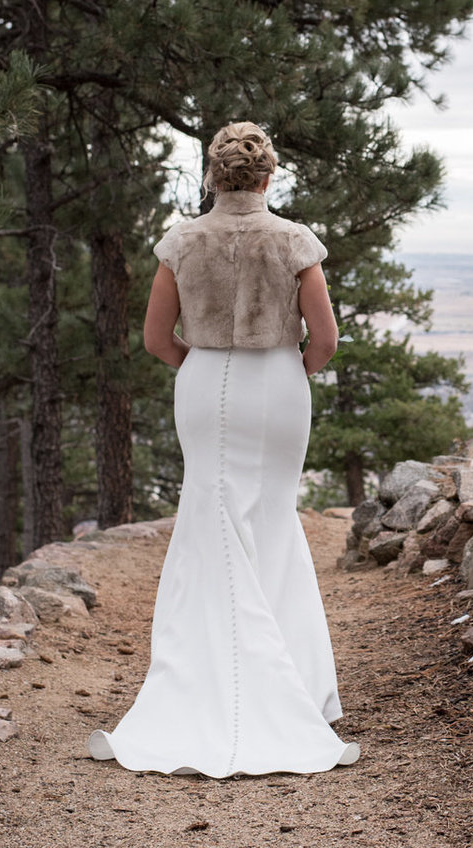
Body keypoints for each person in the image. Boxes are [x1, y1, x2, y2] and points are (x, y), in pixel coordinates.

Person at [88, 121, 360, 777]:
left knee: (209, 519)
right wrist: (288, 374)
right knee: (272, 517)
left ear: (212, 176)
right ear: (269, 177)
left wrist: (202, 369)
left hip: (205, 382)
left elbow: (157, 338)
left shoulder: (182, 241)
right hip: (278, 386)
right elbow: (323, 339)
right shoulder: (294, 241)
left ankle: (205, 677)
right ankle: (291, 684)